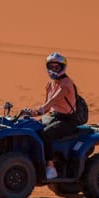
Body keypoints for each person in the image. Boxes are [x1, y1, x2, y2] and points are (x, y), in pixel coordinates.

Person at [25, 52, 79, 180]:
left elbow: (53, 101)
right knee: (32, 127)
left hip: (68, 120)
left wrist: (38, 111)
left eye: (57, 67)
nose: (54, 70)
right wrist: (31, 112)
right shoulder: (50, 84)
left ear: (63, 67)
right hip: (53, 116)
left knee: (45, 134)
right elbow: (47, 107)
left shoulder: (65, 83)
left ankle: (51, 167)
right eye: (51, 67)